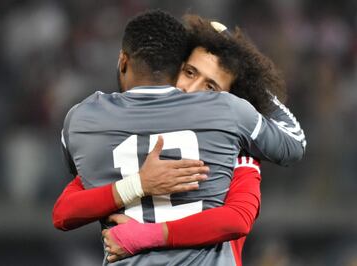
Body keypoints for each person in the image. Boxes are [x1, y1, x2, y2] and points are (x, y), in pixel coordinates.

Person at [56, 10, 305, 266]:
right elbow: (64, 210)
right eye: (189, 72)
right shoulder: (231, 132)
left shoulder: (106, 132)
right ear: (173, 67)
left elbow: (237, 218)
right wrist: (139, 184)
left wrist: (148, 232)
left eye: (211, 88)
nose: (192, 90)